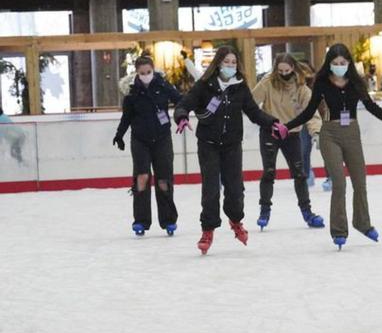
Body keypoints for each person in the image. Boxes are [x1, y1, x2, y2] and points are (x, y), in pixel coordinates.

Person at [285, 43, 382, 250]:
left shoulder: (356, 83)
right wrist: (287, 126)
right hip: (330, 134)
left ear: (349, 63)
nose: (339, 66)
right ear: (329, 64)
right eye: (335, 63)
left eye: (343, 63)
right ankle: (339, 230)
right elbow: (309, 111)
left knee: (360, 182)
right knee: (339, 183)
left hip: (352, 134)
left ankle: (363, 224)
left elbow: (371, 106)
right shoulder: (321, 83)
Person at [173, 46, 284, 255]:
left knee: (235, 189)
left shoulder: (240, 87)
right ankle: (207, 230)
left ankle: (235, 220)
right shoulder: (204, 85)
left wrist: (272, 123)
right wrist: (182, 117)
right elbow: (184, 104)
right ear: (218, 63)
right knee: (211, 189)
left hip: (232, 145)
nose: (230, 66)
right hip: (208, 145)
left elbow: (253, 112)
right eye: (227, 62)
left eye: (233, 62)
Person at [251, 53, 325, 231]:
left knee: (300, 174)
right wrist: (265, 120)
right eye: (280, 70)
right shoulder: (268, 83)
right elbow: (251, 103)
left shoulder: (301, 88)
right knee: (269, 172)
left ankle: (307, 213)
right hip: (270, 132)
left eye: (287, 70)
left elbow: (311, 112)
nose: (284, 73)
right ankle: (264, 211)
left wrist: (316, 132)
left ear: (293, 68)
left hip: (291, 135)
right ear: (276, 69)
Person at [113, 55, 182, 237]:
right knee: (142, 177)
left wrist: (182, 115)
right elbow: (126, 117)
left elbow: (180, 100)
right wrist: (119, 135)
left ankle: (168, 220)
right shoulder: (132, 92)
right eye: (142, 73)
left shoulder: (163, 86)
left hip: (162, 139)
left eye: (148, 72)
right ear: (137, 73)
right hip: (140, 140)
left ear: (153, 70)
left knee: (163, 180)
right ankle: (141, 220)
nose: (145, 76)